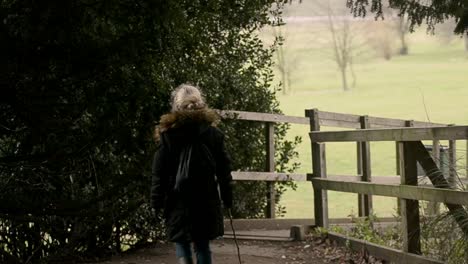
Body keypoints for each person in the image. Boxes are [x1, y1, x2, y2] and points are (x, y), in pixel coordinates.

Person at [151, 84, 233, 264]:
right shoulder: (214, 134)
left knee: (182, 243)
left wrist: (156, 202)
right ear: (200, 103)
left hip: (177, 200)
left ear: (176, 106)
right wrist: (227, 198)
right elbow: (224, 171)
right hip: (206, 199)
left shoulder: (168, 136)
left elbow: (160, 174)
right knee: (203, 245)